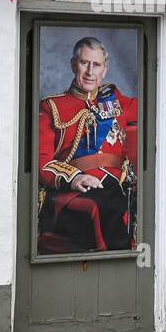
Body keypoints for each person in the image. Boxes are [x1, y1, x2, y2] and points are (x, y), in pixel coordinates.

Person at [36, 36, 138, 254]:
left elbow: (158, 110)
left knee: (118, 201)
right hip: (74, 191)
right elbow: (41, 162)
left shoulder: (116, 100)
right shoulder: (51, 107)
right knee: (103, 205)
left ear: (105, 70)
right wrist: (74, 178)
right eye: (84, 63)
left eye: (97, 65)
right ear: (74, 65)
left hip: (116, 186)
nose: (90, 71)